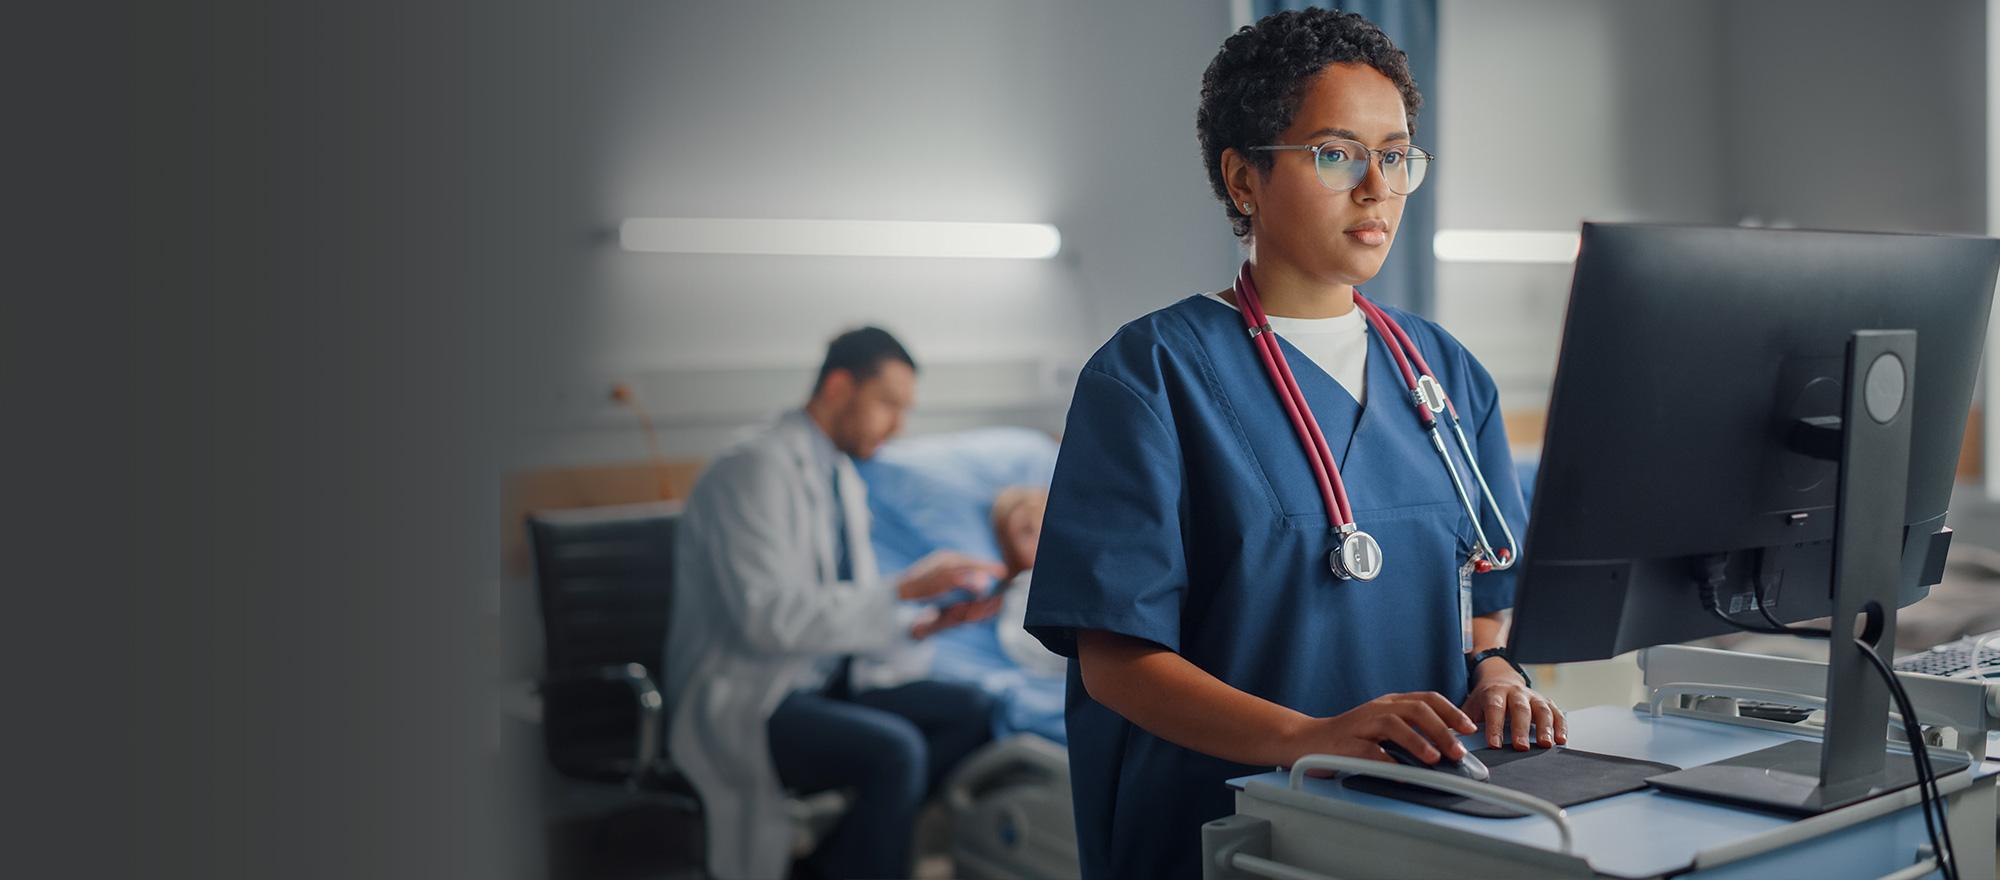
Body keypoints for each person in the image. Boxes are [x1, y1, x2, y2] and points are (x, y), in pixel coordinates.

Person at [1022, 11, 1565, 879]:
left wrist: (1496, 673)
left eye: (1395, 156)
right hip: (1226, 831)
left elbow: (1485, 599)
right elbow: (1115, 661)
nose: (1376, 186)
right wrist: (1306, 739)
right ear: (1244, 178)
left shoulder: (1447, 373)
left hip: (1420, 824)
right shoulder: (1151, 374)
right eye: (1337, 153)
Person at [665, 326, 1009, 880]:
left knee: (973, 710)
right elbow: (767, 620)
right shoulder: (752, 470)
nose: (897, 426)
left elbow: (844, 607)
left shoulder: (840, 476)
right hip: (754, 697)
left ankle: (838, 863)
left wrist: (924, 624)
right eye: (888, 405)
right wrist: (902, 589)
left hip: (823, 680)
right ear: (839, 386)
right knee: (895, 751)